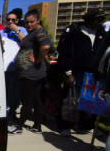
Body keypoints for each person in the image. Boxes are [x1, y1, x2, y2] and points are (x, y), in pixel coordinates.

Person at [56, 8, 107, 136]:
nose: (100, 22)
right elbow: (65, 53)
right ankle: (65, 126)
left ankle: (86, 125)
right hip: (75, 71)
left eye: (102, 20)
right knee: (70, 99)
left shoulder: (102, 33)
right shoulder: (74, 31)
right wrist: (68, 72)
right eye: (98, 19)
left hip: (93, 72)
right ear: (89, 20)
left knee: (91, 101)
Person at [14, 9, 53, 134]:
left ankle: (19, 125)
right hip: (29, 73)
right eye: (27, 22)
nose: (29, 25)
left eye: (32, 22)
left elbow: (46, 47)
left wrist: (38, 60)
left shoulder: (40, 32)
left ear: (38, 21)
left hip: (31, 73)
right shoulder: (33, 32)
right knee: (36, 100)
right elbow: (28, 42)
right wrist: (18, 31)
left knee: (27, 101)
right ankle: (37, 125)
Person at [0, 10, 28, 133]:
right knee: (3, 96)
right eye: (8, 20)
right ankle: (3, 119)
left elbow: (27, 43)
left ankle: (12, 118)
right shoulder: (1, 32)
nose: (10, 22)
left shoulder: (22, 31)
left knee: (14, 97)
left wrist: (16, 30)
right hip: (2, 69)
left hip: (15, 69)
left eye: (13, 20)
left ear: (17, 20)